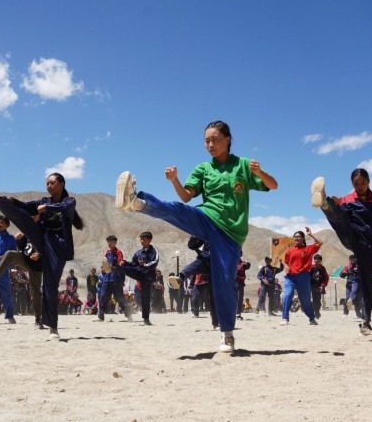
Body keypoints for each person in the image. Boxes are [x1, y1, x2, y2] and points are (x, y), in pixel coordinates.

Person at [115, 120, 277, 352]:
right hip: (207, 218)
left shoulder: (243, 166)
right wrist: (175, 181)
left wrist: (259, 172)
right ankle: (138, 202)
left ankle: (227, 334)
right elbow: (186, 197)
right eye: (207, 141)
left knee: (224, 282)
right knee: (176, 210)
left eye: (215, 140)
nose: (210, 145)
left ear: (228, 140)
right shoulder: (203, 169)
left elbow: (274, 185)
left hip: (232, 234)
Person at [0, 173, 84, 339]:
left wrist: (48, 209)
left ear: (61, 184)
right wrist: (12, 201)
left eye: (52, 183)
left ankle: (53, 326)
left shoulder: (69, 201)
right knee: (22, 217)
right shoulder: (43, 202)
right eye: (47, 183)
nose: (49, 186)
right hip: (43, 238)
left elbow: (65, 208)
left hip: (58, 246)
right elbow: (26, 206)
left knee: (50, 286)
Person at [310, 169, 372, 335]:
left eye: (363, 183)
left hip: (368, 245)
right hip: (351, 236)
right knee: (340, 216)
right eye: (356, 184)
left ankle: (365, 321)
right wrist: (335, 205)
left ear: (368, 182)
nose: (360, 186)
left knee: (368, 282)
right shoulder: (348, 199)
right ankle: (325, 203)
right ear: (352, 184)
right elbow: (339, 217)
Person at [0, 233, 43, 327]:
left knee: (35, 291)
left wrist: (39, 254)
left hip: (36, 265)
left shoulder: (43, 230)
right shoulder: (27, 231)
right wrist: (19, 239)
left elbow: (50, 247)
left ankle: (38, 319)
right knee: (9, 254)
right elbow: (21, 248)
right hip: (26, 259)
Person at [115, 232, 160, 325]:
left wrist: (145, 265)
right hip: (138, 273)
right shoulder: (138, 253)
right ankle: (113, 268)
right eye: (141, 239)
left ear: (150, 240)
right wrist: (125, 262)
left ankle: (146, 319)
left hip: (147, 277)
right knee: (124, 267)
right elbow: (133, 264)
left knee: (145, 297)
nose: (142, 241)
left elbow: (155, 262)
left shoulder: (154, 251)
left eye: (144, 239)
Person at [281, 228, 322, 326]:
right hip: (290, 277)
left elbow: (320, 242)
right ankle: (284, 318)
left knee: (305, 301)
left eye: (299, 237)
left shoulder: (308, 249)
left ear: (303, 239)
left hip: (303, 277)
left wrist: (311, 234)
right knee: (287, 295)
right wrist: (286, 266)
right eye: (295, 237)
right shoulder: (289, 251)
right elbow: (284, 261)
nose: (296, 238)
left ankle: (312, 318)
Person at [96, 235, 133, 323]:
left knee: (120, 299)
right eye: (108, 242)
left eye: (111, 242)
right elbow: (104, 263)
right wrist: (103, 268)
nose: (109, 243)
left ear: (115, 242)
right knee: (103, 297)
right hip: (107, 279)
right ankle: (100, 317)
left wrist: (117, 265)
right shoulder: (107, 253)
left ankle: (129, 316)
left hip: (116, 279)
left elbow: (120, 263)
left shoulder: (118, 252)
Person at [309, 254, 329, 319]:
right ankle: (314, 312)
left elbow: (326, 278)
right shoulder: (311, 267)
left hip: (319, 286)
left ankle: (317, 311)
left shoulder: (322, 269)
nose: (316, 260)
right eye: (315, 259)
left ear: (320, 260)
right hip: (311, 285)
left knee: (317, 300)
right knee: (311, 299)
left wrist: (323, 285)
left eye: (317, 259)